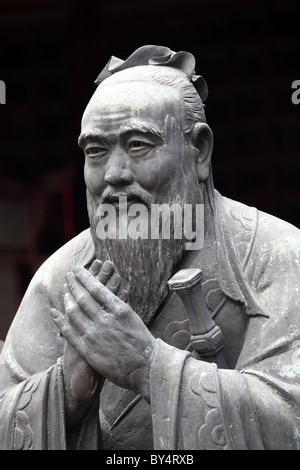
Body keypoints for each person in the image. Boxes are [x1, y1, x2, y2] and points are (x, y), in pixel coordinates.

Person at [0, 45, 299, 450]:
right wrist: (66, 393)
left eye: (138, 145)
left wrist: (148, 367)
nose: (114, 174)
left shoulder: (276, 256)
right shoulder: (60, 279)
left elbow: (290, 417)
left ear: (200, 151)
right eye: (95, 152)